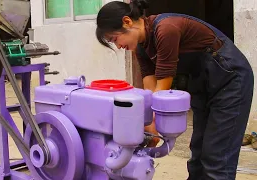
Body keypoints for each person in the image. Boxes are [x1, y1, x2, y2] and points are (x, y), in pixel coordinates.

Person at [95, 0, 254, 180]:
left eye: (115, 38)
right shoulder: (141, 48)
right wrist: (150, 128)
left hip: (230, 79)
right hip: (202, 83)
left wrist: (151, 126)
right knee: (198, 152)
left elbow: (162, 90)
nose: (118, 46)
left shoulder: (166, 29)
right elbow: (150, 94)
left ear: (127, 21)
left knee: (217, 156)